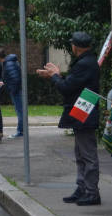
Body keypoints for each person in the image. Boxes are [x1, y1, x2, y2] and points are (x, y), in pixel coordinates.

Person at [38, 32, 101, 206]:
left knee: (87, 154)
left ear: (76, 47)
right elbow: (73, 85)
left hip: (84, 111)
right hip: (83, 109)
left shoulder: (84, 64)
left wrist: (55, 76)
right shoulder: (87, 62)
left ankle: (91, 192)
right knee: (81, 153)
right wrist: (56, 75)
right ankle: (82, 188)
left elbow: (66, 87)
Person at [0, 47, 24, 138]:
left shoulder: (8, 64)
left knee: (20, 111)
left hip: (16, 91)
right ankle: (21, 130)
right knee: (20, 110)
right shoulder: (11, 62)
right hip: (17, 90)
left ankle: (20, 131)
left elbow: (15, 79)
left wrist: (12, 90)